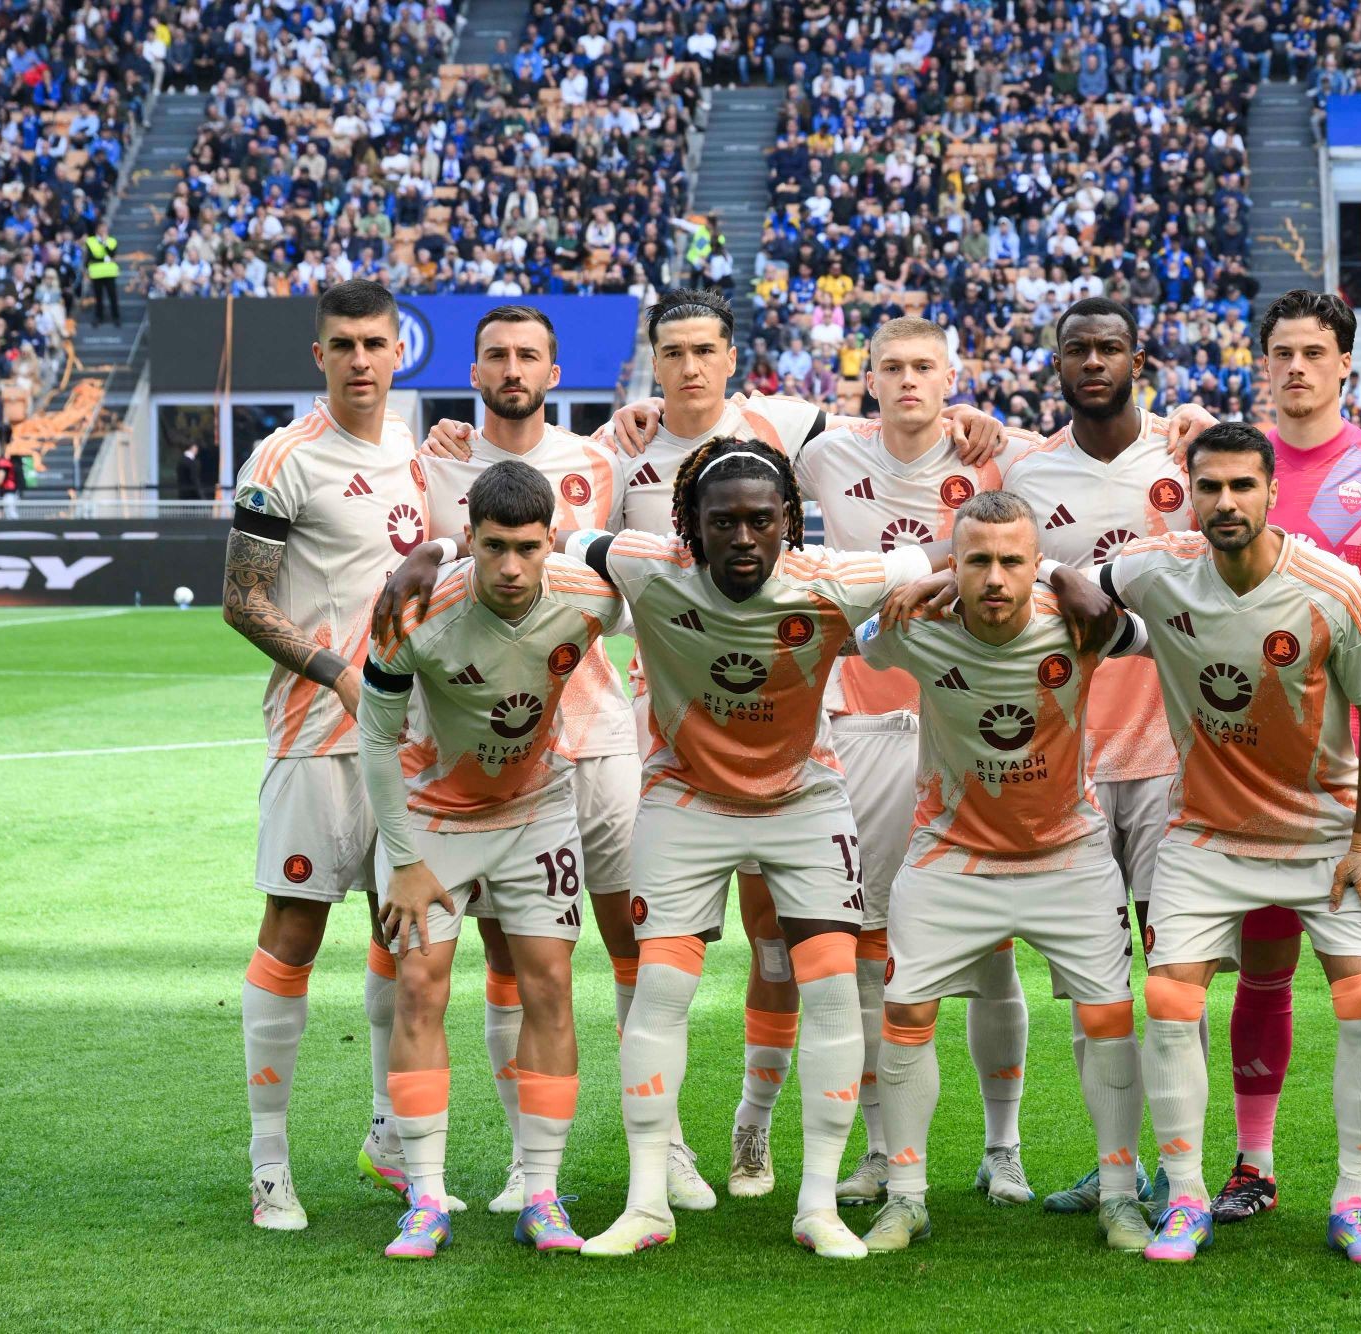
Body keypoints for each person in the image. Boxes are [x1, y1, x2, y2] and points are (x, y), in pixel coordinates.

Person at [430, 289, 1004, 1202]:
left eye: (706, 349)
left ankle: (756, 1128)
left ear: (732, 356)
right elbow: (553, 527)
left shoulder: (793, 430)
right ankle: (658, 1160)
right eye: (673, 351)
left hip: (792, 750)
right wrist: (444, 540)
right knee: (651, 960)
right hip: (665, 747)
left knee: (782, 950)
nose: (690, 365)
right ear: (653, 362)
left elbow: (893, 438)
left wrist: (962, 423)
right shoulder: (616, 450)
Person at [563, 436, 943, 1261]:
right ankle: (646, 1203)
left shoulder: (830, 578)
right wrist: (437, 560)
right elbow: (567, 540)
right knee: (660, 988)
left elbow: (932, 556)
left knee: (833, 990)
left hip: (805, 801)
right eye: (723, 522)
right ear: (690, 528)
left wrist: (922, 588)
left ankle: (817, 1207)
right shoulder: (648, 566)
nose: (743, 538)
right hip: (685, 799)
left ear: (788, 523)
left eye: (760, 522)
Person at [1094, 422, 1361, 1266]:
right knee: (1170, 1002)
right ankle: (1186, 1197)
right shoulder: (1156, 569)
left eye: (1242, 486)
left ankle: (1354, 1202)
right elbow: (1067, 583)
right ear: (1189, 495)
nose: (1225, 502)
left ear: (1272, 491)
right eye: (1210, 487)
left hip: (1324, 834)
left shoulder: (1332, 587)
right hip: (1205, 833)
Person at [377, 305, 642, 1215]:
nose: (513, 368)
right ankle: (461, 1162)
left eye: (529, 354)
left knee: (610, 946)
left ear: (555, 371)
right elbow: (413, 552)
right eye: (496, 354)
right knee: (462, 961)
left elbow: (639, 566)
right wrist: (434, 545)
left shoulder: (601, 459)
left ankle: (649, 1150)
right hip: (461, 741)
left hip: (588, 735)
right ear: (474, 369)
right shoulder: (435, 460)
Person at [851, 490, 1155, 1254]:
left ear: (1036, 564)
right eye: (976, 561)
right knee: (906, 1015)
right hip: (951, 855)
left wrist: (1065, 577)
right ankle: (907, 1197)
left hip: (1069, 855)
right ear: (953, 565)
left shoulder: (1079, 623)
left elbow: (1151, 637)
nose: (994, 578)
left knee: (1109, 1021)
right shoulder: (919, 628)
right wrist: (918, 585)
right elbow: (862, 640)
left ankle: (1121, 1195)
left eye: (1013, 561)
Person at [789, 317, 1043, 1209]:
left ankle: (1003, 1148)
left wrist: (1183, 421)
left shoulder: (999, 456)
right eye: (891, 367)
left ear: (951, 377)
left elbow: (1098, 453)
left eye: (924, 367)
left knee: (991, 947)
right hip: (861, 725)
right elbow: (724, 428)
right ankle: (878, 1147)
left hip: (972, 725)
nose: (907, 381)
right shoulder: (827, 453)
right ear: (868, 378)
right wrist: (636, 421)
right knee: (868, 950)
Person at [1210, 291, 1361, 1235]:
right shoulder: (1237, 471)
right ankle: (1254, 1165)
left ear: (1346, 362)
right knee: (1264, 963)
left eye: (1315, 352)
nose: (1298, 367)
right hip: (1261, 765)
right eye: (1283, 352)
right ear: (1263, 363)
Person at [359, 460, 622, 1260]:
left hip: (538, 811)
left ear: (552, 543)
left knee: (548, 985)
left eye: (528, 548)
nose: (511, 567)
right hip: (433, 817)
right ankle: (425, 1198)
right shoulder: (413, 613)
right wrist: (403, 859)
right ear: (470, 538)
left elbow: (663, 576)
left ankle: (540, 1193)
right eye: (493, 546)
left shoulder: (591, 597)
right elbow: (375, 736)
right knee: (419, 985)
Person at [997, 297, 1217, 1213]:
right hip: (1071, 761)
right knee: (1094, 983)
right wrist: (1059, 572)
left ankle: (1180, 1170)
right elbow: (1000, 565)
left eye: (1109, 348)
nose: (1093, 362)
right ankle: (1116, 1163)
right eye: (1076, 349)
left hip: (1174, 754)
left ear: (1139, 358)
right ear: (1056, 364)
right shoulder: (1026, 469)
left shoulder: (1188, 454)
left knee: (1174, 978)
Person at [223, 280, 430, 1231]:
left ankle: (389, 1134)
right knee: (294, 933)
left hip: (410, 743)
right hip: (316, 738)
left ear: (398, 352)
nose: (359, 359)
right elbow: (242, 600)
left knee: (405, 936)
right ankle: (269, 1164)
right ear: (320, 356)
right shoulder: (285, 458)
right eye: (342, 344)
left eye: (374, 343)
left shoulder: (418, 452)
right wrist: (339, 675)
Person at [85, 224, 121, 326]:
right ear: (97, 230)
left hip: (109, 272)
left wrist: (104, 243)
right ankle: (99, 317)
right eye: (101, 228)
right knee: (98, 297)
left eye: (105, 228)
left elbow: (112, 254)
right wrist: (105, 258)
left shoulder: (112, 241)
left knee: (112, 295)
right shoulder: (90, 241)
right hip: (96, 273)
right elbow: (91, 257)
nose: (104, 230)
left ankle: (116, 316)